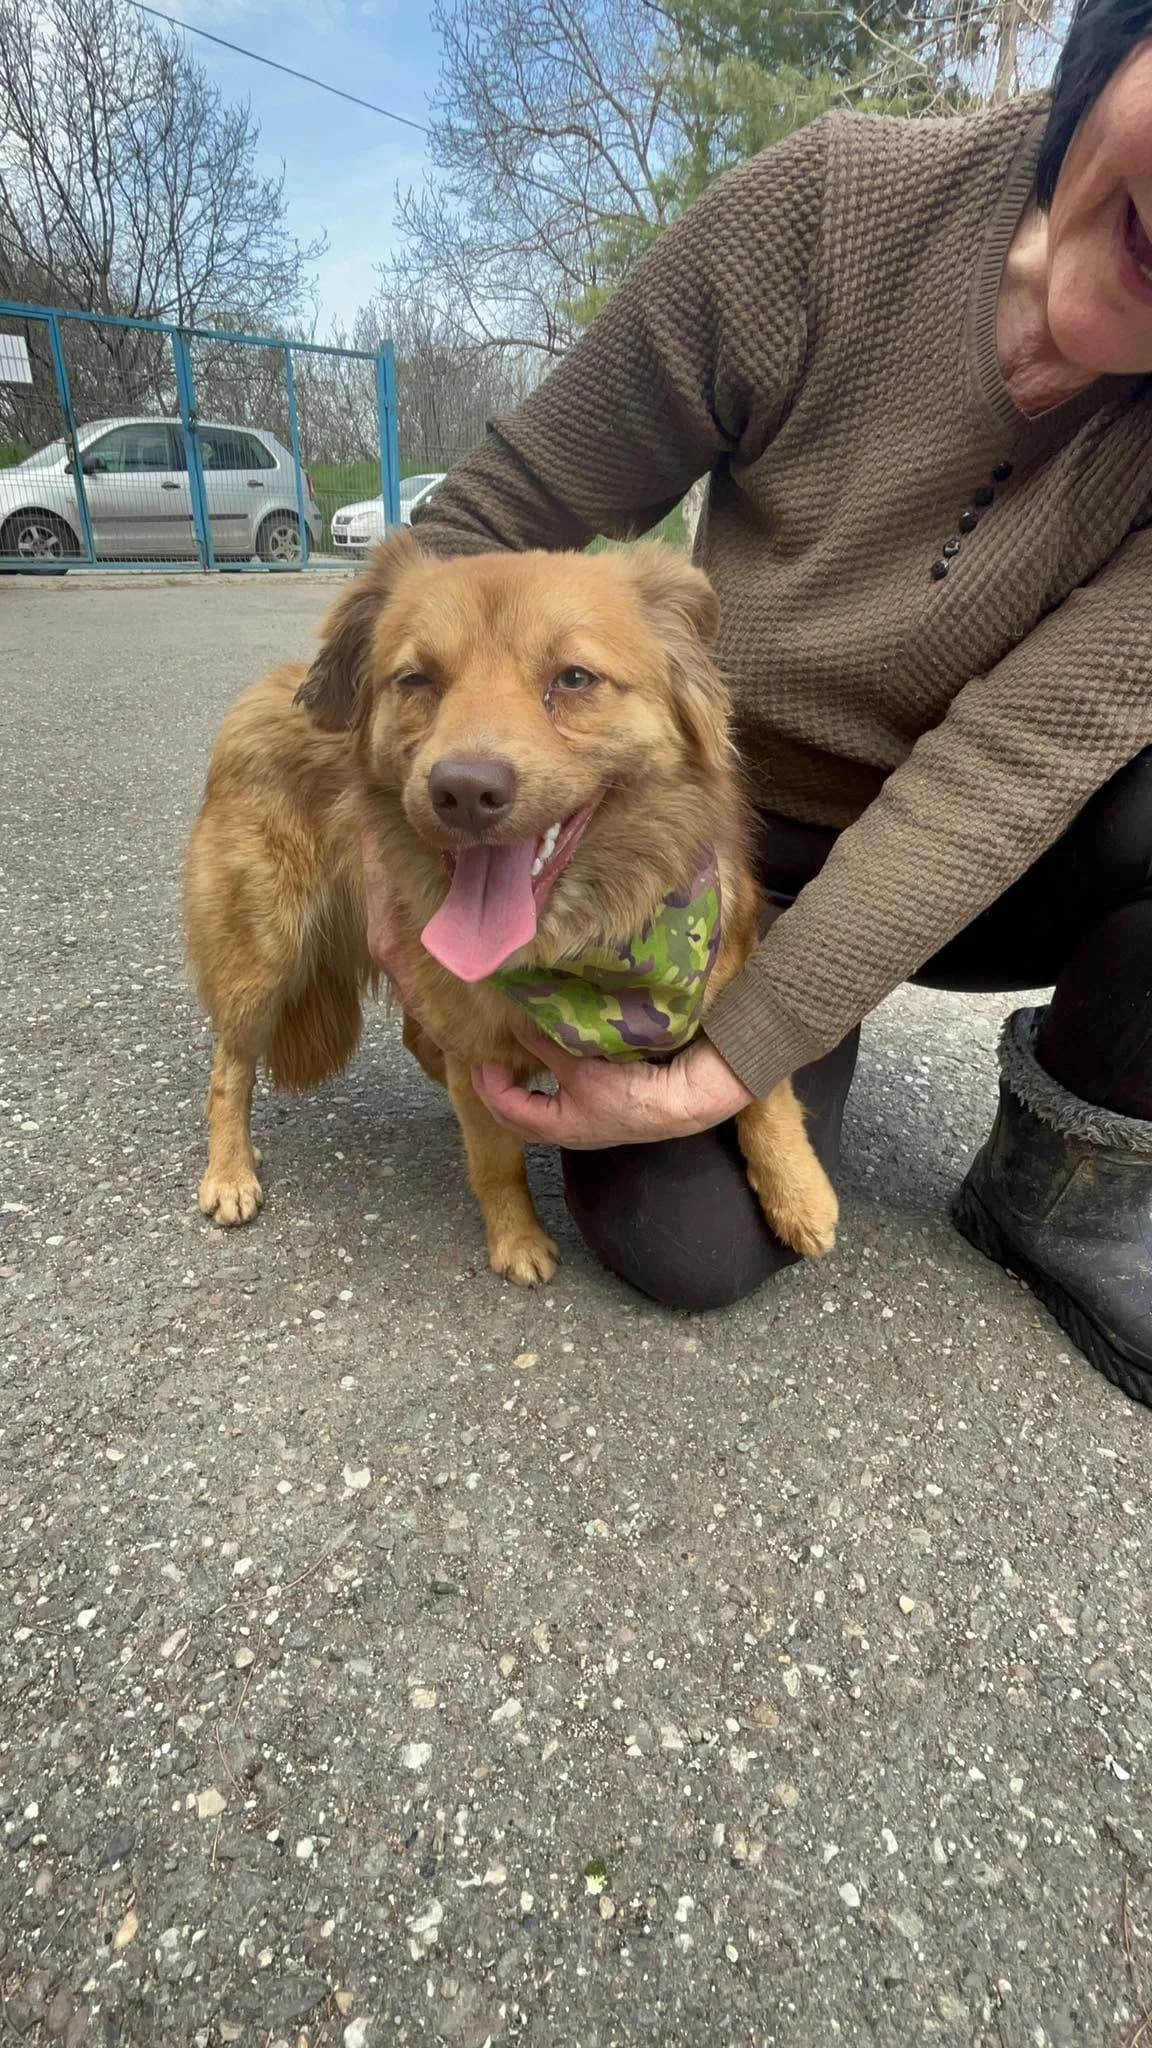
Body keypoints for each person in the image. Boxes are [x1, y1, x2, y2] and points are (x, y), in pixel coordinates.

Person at [368, 0, 1152, 1406]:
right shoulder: (839, 207)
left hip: (951, 849)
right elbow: (485, 527)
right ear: (1117, 39)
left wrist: (726, 1068)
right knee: (692, 1243)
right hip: (699, 825)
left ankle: (1073, 1174)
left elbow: (1002, 776)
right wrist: (389, 842)